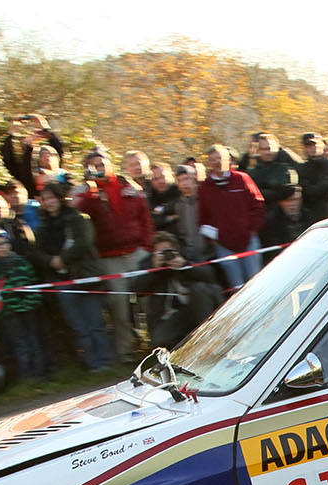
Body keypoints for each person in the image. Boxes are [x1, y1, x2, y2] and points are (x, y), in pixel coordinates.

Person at [76, 146, 153, 360]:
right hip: (109, 257)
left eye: (102, 165)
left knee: (148, 299)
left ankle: (156, 345)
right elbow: (78, 211)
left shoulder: (128, 185)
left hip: (137, 252)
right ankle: (126, 350)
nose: (99, 169)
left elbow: (145, 217)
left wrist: (146, 246)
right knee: (118, 304)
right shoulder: (86, 192)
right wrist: (91, 187)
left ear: (110, 165)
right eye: (93, 167)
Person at [27, 181, 113, 371]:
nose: (49, 202)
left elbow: (84, 243)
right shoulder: (42, 226)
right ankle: (92, 364)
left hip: (84, 276)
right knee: (79, 326)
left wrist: (62, 259)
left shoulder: (79, 219)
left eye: (52, 198)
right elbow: (35, 252)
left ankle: (106, 362)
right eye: (45, 199)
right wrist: (51, 262)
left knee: (95, 322)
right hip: (61, 281)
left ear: (60, 198)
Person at [197, 144, 265, 291]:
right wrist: (214, 238)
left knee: (256, 283)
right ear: (208, 163)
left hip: (248, 240)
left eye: (220, 158)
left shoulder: (242, 178)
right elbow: (203, 218)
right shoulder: (205, 187)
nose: (217, 162)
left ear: (228, 159)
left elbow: (258, 204)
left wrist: (252, 229)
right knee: (237, 288)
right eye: (213, 159)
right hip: (223, 246)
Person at [0, 228, 45, 380]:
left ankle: (40, 373)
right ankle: (27, 375)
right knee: (20, 343)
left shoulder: (21, 263)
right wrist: (0, 306)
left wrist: (30, 302)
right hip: (9, 314)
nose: (2, 247)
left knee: (34, 340)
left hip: (28, 309)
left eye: (4, 243)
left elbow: (32, 284)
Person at [142, 230, 223, 351]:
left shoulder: (188, 254)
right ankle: (187, 347)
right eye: (160, 252)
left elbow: (209, 275)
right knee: (158, 341)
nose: (165, 255)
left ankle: (209, 341)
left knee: (199, 289)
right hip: (173, 314)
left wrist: (185, 265)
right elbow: (138, 288)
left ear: (176, 248)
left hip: (197, 306)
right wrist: (154, 271)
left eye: (168, 251)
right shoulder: (149, 263)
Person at [0, 114, 67, 196]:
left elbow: (59, 148)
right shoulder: (24, 174)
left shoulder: (64, 176)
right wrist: (12, 133)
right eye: (42, 154)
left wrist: (45, 128)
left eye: (50, 153)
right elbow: (8, 158)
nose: (47, 156)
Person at [296, 134, 328, 224]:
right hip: (311, 215)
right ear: (304, 148)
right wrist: (327, 183)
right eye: (309, 145)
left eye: (316, 144)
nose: (313, 148)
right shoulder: (301, 168)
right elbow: (308, 192)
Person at [258, 188, 309, 263]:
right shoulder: (271, 221)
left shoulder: (308, 217)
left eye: (296, 199)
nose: (293, 204)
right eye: (288, 200)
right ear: (280, 202)